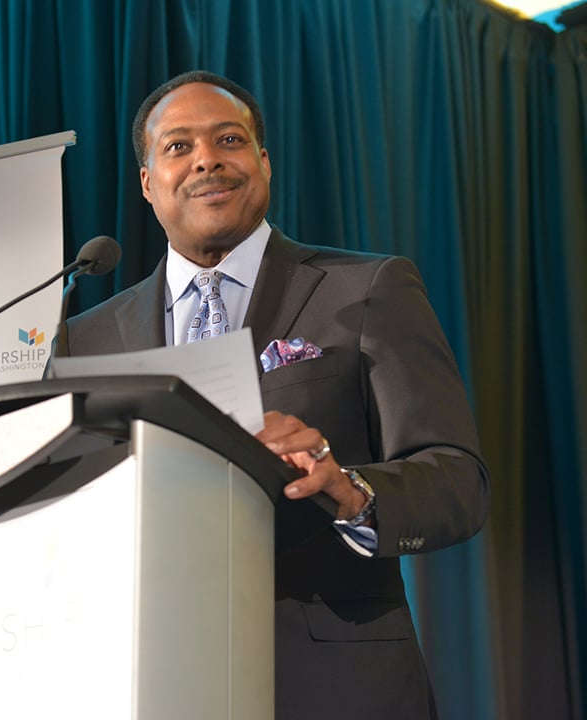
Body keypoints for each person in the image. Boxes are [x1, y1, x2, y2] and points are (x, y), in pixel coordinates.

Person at [51, 70, 489, 719]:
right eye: (177, 146)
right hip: (153, 685)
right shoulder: (83, 341)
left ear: (263, 162)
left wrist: (350, 490)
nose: (206, 158)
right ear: (147, 183)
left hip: (336, 681)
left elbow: (456, 481)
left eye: (229, 139)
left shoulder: (367, 288)